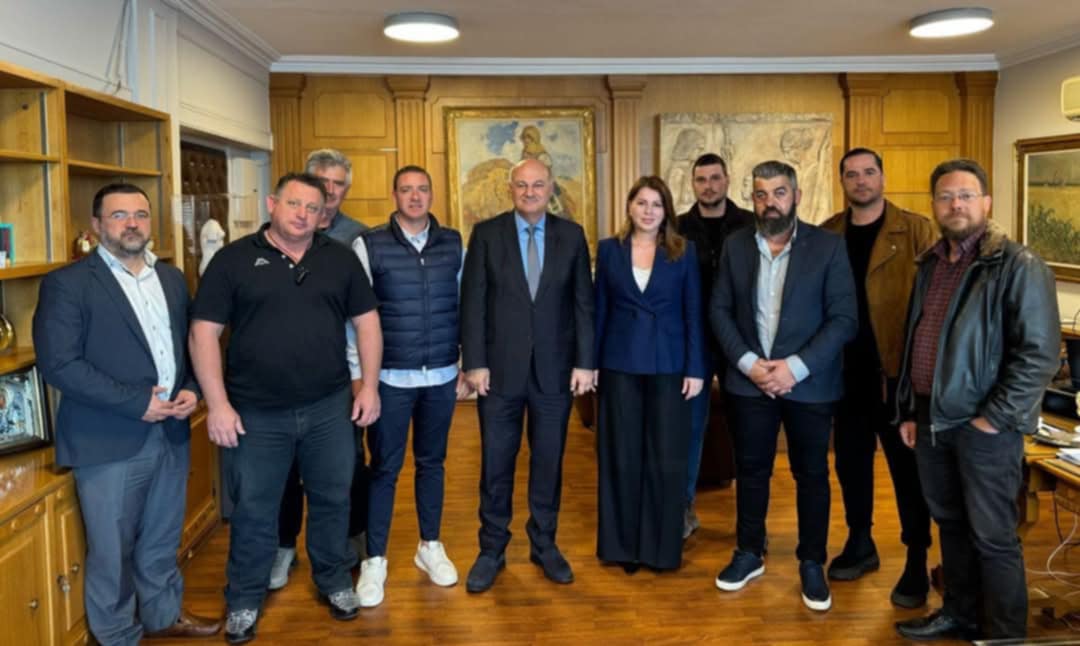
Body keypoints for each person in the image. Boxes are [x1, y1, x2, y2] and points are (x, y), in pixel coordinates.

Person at [189, 172, 382, 644]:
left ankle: (333, 580)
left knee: (333, 499)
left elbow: (368, 323)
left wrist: (370, 387)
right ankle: (244, 599)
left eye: (313, 208)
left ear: (323, 214)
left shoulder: (339, 258)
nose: (303, 215)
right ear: (272, 204)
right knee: (255, 508)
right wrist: (217, 404)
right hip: (256, 413)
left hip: (329, 407)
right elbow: (203, 333)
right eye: (294, 204)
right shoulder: (233, 260)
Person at [33, 183, 221, 644]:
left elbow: (187, 347)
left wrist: (192, 389)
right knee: (111, 550)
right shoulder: (68, 284)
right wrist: (137, 403)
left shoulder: (171, 278)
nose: (132, 224)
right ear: (97, 225)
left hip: (172, 430)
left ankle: (163, 615)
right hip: (107, 439)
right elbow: (59, 364)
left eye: (140, 214)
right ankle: (118, 634)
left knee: (161, 537)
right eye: (119, 215)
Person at [894, 159, 1060, 641]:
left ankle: (1005, 634)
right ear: (934, 205)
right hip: (931, 418)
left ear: (986, 202)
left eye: (966, 195)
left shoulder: (1018, 266)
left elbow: (1039, 353)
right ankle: (960, 612)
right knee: (950, 523)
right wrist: (910, 409)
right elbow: (917, 339)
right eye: (946, 197)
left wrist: (994, 418)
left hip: (984, 426)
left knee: (993, 536)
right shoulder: (930, 263)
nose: (956, 205)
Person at [710, 160, 856, 612]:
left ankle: (811, 562)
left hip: (808, 385)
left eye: (778, 193)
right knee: (751, 471)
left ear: (796, 196)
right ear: (752, 199)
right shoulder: (735, 245)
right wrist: (749, 364)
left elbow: (844, 319)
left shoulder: (828, 247)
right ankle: (749, 552)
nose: (769, 203)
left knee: (811, 475)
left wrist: (795, 367)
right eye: (760, 194)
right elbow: (719, 310)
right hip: (749, 383)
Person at [460, 158, 595, 593]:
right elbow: (473, 302)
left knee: (548, 462)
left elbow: (583, 303)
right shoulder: (487, 234)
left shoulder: (571, 236)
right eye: (522, 185)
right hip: (498, 373)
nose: (530, 192)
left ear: (550, 188)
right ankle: (491, 549)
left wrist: (585, 362)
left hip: (555, 373)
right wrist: (474, 362)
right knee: (496, 464)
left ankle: (544, 543)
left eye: (538, 184)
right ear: (510, 189)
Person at [819, 148, 937, 606]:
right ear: (842, 182)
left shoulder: (916, 231)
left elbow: (933, 305)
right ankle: (860, 541)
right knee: (850, 465)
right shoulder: (829, 233)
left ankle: (916, 557)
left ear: (882, 178)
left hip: (896, 376)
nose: (861, 181)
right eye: (852, 174)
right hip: (844, 375)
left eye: (869, 172)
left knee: (907, 472)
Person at [350, 165, 470, 608]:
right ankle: (375, 559)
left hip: (440, 375)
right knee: (384, 467)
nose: (415, 197)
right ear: (394, 195)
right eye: (406, 189)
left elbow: (465, 306)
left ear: (432, 195)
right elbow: (355, 319)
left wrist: (465, 363)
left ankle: (430, 545)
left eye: (422, 189)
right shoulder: (369, 245)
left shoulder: (454, 243)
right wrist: (362, 380)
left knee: (432, 463)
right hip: (390, 378)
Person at [271, 148, 372, 591]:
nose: (329, 192)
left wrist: (364, 378)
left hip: (341, 377)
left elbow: (367, 316)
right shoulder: (273, 237)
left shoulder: (360, 237)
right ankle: (284, 544)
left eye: (338, 184)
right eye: (322, 182)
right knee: (286, 467)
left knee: (348, 465)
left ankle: (350, 542)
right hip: (283, 377)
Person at [594, 175, 704, 573]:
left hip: (669, 366)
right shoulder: (609, 250)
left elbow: (693, 311)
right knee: (621, 457)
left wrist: (696, 368)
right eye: (641, 202)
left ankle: (659, 550)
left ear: (666, 211)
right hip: (619, 364)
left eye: (656, 204)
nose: (648, 211)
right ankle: (622, 548)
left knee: (665, 459)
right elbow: (599, 310)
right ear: (629, 206)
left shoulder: (683, 252)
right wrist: (591, 364)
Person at [674, 153, 753, 539]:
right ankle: (683, 509)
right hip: (695, 342)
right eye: (701, 180)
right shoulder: (677, 228)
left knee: (748, 432)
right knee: (688, 430)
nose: (708, 186)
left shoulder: (750, 224)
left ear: (727, 180)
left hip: (741, 342)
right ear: (693, 184)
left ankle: (751, 520)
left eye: (715, 178)